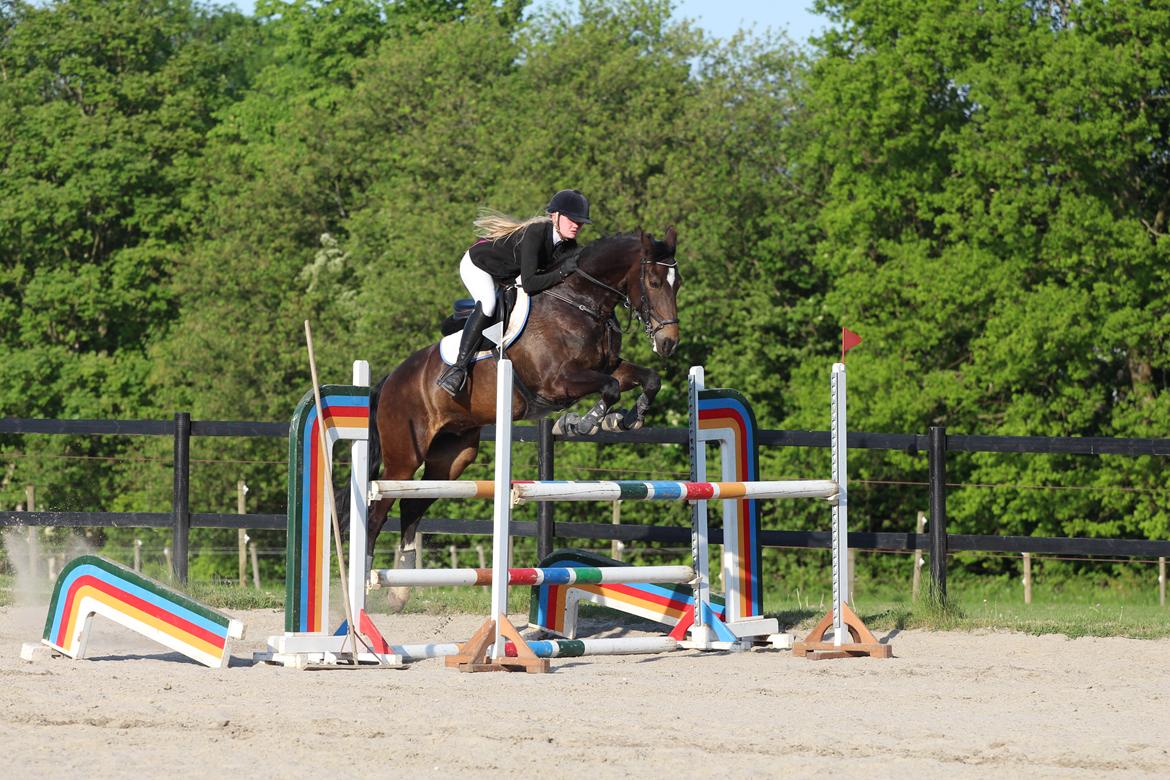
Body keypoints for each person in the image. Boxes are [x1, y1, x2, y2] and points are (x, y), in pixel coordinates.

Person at [435, 189, 591, 396]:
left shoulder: (567, 245)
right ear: (555, 216)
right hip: (479, 265)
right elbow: (530, 284)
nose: (576, 225)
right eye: (572, 219)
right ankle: (458, 369)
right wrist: (562, 271)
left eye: (580, 222)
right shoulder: (536, 232)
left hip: (507, 274)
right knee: (488, 303)